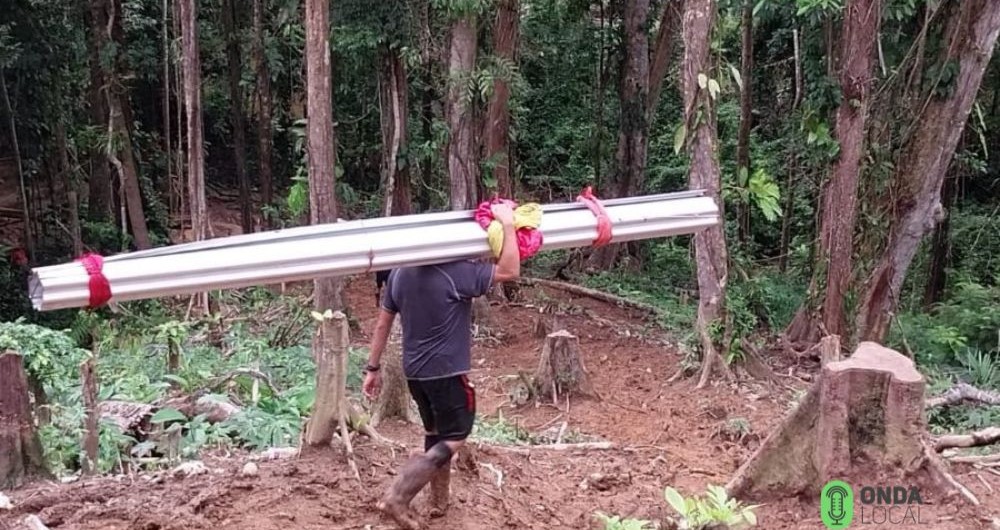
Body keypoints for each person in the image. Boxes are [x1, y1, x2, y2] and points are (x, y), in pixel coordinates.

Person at [362, 203, 520, 530]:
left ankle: (438, 501)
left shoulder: (399, 273)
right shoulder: (456, 272)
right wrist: (506, 224)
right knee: (456, 435)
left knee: (435, 433)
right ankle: (398, 495)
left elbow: (382, 325)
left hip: (415, 374)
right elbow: (510, 271)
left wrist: (372, 368)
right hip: (447, 373)